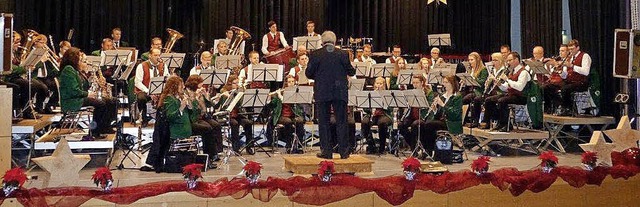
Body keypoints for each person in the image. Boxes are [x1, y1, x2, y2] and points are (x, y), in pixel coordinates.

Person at [306, 31, 355, 159]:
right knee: (342, 121)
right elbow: (351, 71)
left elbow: (308, 73)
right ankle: (344, 151)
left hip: (322, 91)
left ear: (322, 42)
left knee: (323, 122)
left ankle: (326, 152)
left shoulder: (315, 54)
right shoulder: (343, 54)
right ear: (335, 41)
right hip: (340, 92)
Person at [59, 47, 116, 137]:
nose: (81, 60)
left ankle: (105, 126)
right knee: (100, 104)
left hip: (77, 98)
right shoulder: (68, 69)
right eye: (80, 58)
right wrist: (88, 94)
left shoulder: (75, 70)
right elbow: (73, 91)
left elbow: (83, 87)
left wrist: (89, 78)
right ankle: (95, 131)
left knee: (109, 101)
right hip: (72, 101)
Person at [481, 52, 531, 131]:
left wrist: (507, 79)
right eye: (507, 61)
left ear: (516, 60)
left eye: (510, 60)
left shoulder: (523, 72)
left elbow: (519, 87)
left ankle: (505, 125)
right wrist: (499, 84)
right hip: (511, 95)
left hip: (521, 96)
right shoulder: (512, 72)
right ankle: (490, 122)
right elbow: (506, 88)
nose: (508, 63)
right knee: (489, 100)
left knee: (502, 101)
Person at [185, 75, 223, 166]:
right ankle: (210, 154)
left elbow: (211, 106)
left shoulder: (200, 92)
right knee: (208, 128)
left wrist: (206, 96)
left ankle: (217, 151)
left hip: (203, 116)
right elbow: (193, 110)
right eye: (200, 84)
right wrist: (196, 98)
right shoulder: (187, 93)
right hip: (194, 118)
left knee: (216, 125)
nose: (202, 87)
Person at [421, 75, 462, 156]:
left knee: (429, 125)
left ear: (452, 84)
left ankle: (429, 149)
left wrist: (443, 105)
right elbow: (439, 114)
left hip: (451, 122)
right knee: (423, 125)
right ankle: (428, 148)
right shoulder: (443, 95)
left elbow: (455, 114)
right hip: (442, 121)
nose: (444, 84)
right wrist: (435, 110)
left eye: (446, 82)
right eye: (443, 82)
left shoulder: (457, 96)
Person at [398, 75, 435, 156]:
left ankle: (422, 148)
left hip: (424, 116)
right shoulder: (411, 92)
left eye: (417, 83)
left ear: (422, 83)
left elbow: (429, 106)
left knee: (416, 124)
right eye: (413, 83)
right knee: (400, 125)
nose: (415, 85)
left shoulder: (429, 92)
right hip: (412, 115)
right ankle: (413, 146)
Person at [219, 75, 254, 155]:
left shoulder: (240, 91)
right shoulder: (223, 91)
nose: (237, 85)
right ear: (229, 84)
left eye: (238, 83)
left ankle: (249, 146)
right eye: (235, 83)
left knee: (248, 123)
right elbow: (223, 106)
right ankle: (236, 148)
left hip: (237, 114)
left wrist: (239, 95)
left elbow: (241, 104)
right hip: (227, 115)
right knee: (235, 124)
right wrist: (227, 97)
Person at [134, 48, 170, 127]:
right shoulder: (141, 66)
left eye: (159, 55)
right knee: (141, 98)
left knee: (169, 97)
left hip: (159, 90)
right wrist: (149, 92)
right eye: (155, 55)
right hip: (145, 91)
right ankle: (144, 118)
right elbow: (137, 82)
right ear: (150, 56)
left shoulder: (163, 65)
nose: (158, 57)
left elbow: (167, 79)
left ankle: (162, 118)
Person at [270, 75, 306, 154]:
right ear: (286, 83)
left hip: (293, 115)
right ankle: (288, 145)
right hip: (282, 116)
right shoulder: (281, 92)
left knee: (300, 121)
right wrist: (278, 95)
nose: (291, 83)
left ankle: (299, 145)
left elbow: (299, 106)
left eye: (292, 81)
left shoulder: (297, 92)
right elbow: (273, 105)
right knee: (288, 122)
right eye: (289, 82)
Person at [558, 39, 591, 116]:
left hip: (582, 82)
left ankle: (568, 109)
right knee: (552, 87)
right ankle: (562, 107)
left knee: (565, 89)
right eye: (569, 49)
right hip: (571, 82)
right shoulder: (571, 58)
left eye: (572, 49)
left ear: (578, 48)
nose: (570, 51)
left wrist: (572, 66)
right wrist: (560, 71)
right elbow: (565, 75)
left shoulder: (585, 56)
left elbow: (586, 72)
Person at [360, 77, 393, 154]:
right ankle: (371, 145)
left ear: (384, 85)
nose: (378, 85)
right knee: (365, 122)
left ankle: (382, 147)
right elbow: (365, 108)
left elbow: (390, 109)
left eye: (380, 84)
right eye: (377, 83)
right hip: (372, 114)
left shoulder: (387, 94)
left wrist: (383, 105)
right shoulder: (370, 94)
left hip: (384, 114)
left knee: (382, 123)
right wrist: (370, 109)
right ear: (374, 84)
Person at [461, 52, 488, 126]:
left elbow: (482, 82)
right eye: (469, 60)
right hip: (470, 90)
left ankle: (475, 121)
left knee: (467, 99)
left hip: (479, 91)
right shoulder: (470, 70)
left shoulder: (483, 69)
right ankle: (462, 119)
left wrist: (472, 78)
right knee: (458, 97)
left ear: (477, 60)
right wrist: (464, 81)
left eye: (472, 60)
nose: (470, 62)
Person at [541, 44, 570, 114]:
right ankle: (550, 107)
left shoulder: (568, 61)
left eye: (562, 51)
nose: (560, 53)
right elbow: (551, 75)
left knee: (546, 87)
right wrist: (547, 66)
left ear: (568, 52)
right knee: (541, 87)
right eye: (560, 51)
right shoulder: (558, 61)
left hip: (563, 81)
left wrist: (557, 67)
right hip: (554, 82)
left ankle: (559, 105)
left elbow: (565, 75)